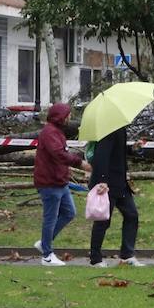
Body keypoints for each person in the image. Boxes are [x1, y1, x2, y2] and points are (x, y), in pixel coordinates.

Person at [32, 102, 90, 266]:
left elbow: (61, 154)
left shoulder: (57, 132)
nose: (69, 117)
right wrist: (80, 163)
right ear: (61, 116)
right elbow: (59, 154)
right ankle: (47, 255)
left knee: (69, 213)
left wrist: (66, 171)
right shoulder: (50, 132)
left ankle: (44, 243)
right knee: (50, 218)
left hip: (60, 181)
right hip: (49, 182)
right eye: (68, 114)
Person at [88, 125, 141, 267]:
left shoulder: (120, 128)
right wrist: (102, 180)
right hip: (108, 183)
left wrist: (132, 149)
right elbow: (101, 156)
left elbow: (118, 153)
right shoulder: (108, 129)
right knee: (103, 220)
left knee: (132, 215)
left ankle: (127, 255)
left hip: (121, 182)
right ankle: (95, 258)